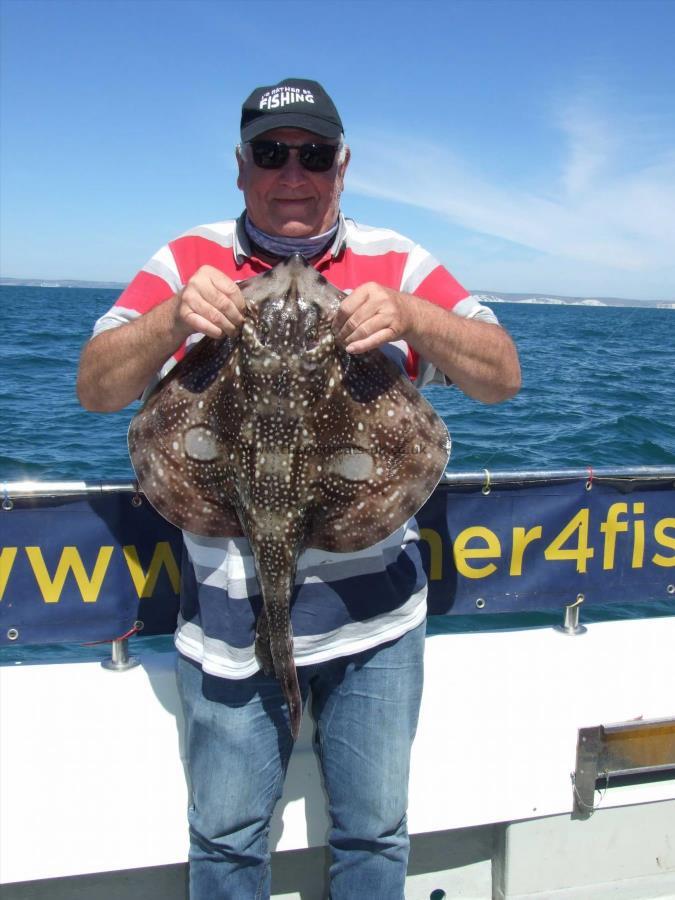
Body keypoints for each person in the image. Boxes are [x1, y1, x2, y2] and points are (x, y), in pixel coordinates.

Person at [77, 77, 520, 900]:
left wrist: (413, 318)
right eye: (271, 153)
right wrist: (175, 317)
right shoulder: (186, 259)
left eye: (313, 155)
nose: (293, 172)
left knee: (374, 832)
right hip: (223, 622)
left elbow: (501, 374)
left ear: (342, 167)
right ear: (240, 167)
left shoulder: (399, 260)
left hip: (378, 625)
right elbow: (97, 389)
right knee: (228, 839)